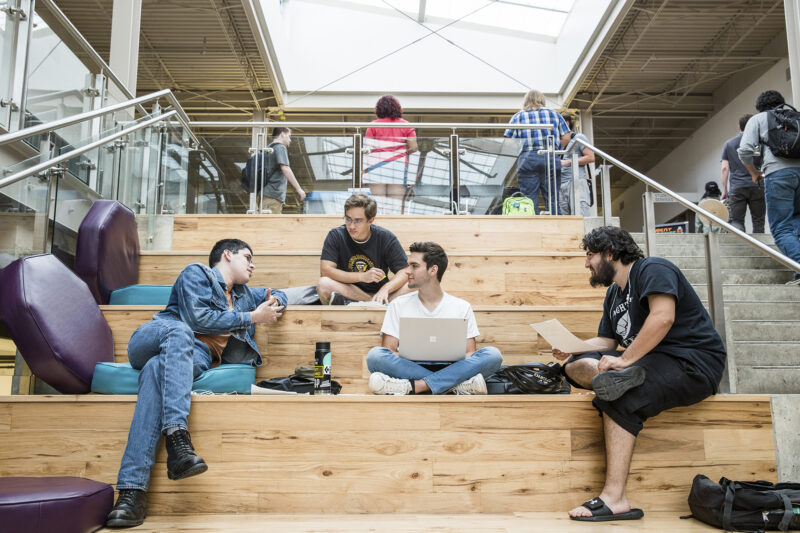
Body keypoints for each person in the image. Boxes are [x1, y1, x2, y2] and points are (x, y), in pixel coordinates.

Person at [105, 239, 287, 528]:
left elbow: (277, 293)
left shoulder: (243, 294)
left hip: (194, 356)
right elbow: (197, 319)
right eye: (247, 258)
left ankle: (131, 494)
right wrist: (254, 317)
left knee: (156, 371)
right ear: (227, 255)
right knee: (180, 332)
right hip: (156, 336)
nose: (252, 265)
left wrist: (276, 300)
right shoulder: (197, 273)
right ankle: (178, 438)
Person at [553, 226, 726, 522]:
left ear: (610, 253)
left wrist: (625, 360)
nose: (586, 263)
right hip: (650, 361)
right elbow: (606, 342)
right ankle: (607, 380)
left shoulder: (652, 269)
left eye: (590, 255)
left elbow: (663, 317)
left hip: (691, 361)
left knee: (620, 397)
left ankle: (615, 498)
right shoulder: (614, 294)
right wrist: (573, 347)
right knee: (573, 365)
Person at [366, 241, 503, 395]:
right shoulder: (398, 305)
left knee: (493, 355)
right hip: (409, 367)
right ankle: (455, 386)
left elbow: (469, 354)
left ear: (433, 270)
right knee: (376, 356)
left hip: (452, 366)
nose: (407, 271)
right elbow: (388, 351)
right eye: (408, 266)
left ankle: (415, 386)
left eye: (414, 266)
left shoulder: (461, 306)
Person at [739, 90, 800, 285]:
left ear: (759, 108)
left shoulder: (758, 119)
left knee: (781, 228)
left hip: (778, 175)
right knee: (797, 222)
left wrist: (753, 172)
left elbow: (745, 150)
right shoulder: (796, 117)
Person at [317, 193, 411, 305]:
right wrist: (362, 276)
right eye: (348, 219)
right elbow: (326, 271)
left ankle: (376, 303)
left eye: (358, 221)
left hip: (380, 293)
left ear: (371, 220)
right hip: (349, 292)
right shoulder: (336, 235)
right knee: (324, 284)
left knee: (419, 283)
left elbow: (405, 271)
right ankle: (373, 303)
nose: (351, 226)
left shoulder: (385, 237)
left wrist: (386, 288)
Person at [504, 89, 571, 214]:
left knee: (528, 200)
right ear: (542, 100)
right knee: (553, 198)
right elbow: (567, 137)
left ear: (526, 101)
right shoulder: (554, 114)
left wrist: (520, 148)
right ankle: (555, 223)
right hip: (550, 157)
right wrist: (555, 148)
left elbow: (508, 141)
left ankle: (531, 223)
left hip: (527, 158)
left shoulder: (518, 116)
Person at [364, 95, 418, 200]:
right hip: (398, 164)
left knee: (378, 201)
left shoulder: (373, 125)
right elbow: (414, 147)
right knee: (396, 202)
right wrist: (402, 152)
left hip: (376, 164)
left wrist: (364, 169)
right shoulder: (406, 124)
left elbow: (367, 149)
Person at [721, 114, 765, 233]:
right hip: (757, 185)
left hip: (737, 187)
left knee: (737, 222)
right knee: (758, 221)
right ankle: (759, 245)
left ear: (739, 127)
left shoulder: (729, 144)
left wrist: (724, 190)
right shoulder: (758, 144)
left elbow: (724, 168)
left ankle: (740, 244)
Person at [258, 127, 306, 214]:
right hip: (272, 195)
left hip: (265, 194)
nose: (290, 140)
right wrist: (299, 189)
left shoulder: (267, 149)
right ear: (282, 134)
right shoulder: (280, 147)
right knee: (271, 222)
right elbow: (285, 168)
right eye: (289, 136)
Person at [558, 112, 595, 216]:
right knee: (564, 220)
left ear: (566, 123)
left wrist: (569, 162)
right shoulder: (557, 142)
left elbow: (591, 157)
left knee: (580, 215)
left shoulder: (579, 138)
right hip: (560, 185)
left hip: (576, 182)